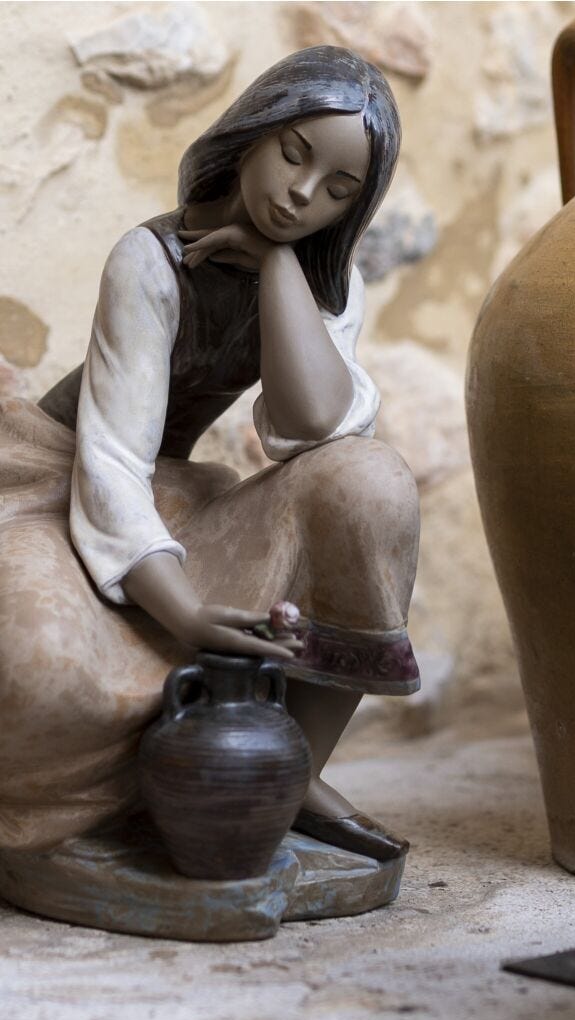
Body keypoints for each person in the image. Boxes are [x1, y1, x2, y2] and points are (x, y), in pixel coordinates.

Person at [0, 46, 420, 863]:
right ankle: (128, 799)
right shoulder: (149, 261)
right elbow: (112, 462)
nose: (301, 195)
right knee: (36, 664)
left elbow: (316, 431)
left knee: (371, 482)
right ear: (253, 133)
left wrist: (273, 268)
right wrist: (185, 613)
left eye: (338, 190)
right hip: (64, 482)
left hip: (175, 497)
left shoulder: (323, 286)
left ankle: (288, 773)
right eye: (294, 154)